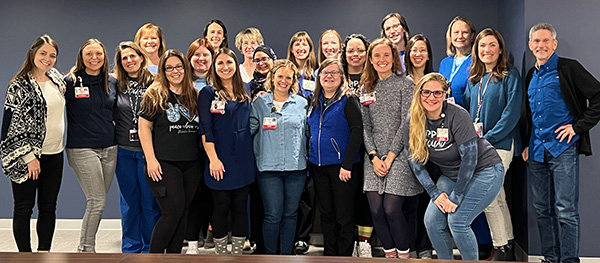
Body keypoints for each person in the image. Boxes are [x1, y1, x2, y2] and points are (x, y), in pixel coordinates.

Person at [520, 22, 600, 263]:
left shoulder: (568, 68)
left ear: (554, 44)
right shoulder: (531, 75)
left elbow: (597, 96)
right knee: (543, 210)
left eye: (546, 41)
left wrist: (577, 127)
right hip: (535, 151)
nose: (541, 45)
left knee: (566, 210)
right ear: (530, 45)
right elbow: (528, 114)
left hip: (562, 149)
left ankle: (569, 261)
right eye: (536, 41)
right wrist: (526, 143)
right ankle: (550, 258)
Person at [407, 73, 504, 260]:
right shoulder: (413, 119)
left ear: (445, 94)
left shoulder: (458, 115)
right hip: (452, 174)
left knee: (458, 221)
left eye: (437, 92)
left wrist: (457, 197)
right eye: (426, 92)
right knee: (432, 221)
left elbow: (470, 159)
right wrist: (435, 194)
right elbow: (415, 161)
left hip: (485, 170)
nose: (431, 97)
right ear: (419, 93)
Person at [1, 35, 65, 253]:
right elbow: (12, 126)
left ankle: (44, 253)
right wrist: (30, 158)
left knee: (48, 208)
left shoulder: (57, 79)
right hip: (27, 157)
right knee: (24, 208)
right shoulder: (19, 85)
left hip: (55, 154)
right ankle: (24, 256)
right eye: (43, 53)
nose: (47, 59)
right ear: (33, 53)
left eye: (52, 55)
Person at [360, 38, 422, 259]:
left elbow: (408, 123)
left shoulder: (405, 83)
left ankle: (404, 256)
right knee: (376, 210)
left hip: (400, 156)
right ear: (371, 59)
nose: (382, 59)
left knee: (391, 208)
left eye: (386, 55)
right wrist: (374, 156)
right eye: (377, 55)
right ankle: (390, 255)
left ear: (394, 58)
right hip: (374, 158)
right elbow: (365, 127)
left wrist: (391, 156)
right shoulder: (366, 87)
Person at [463, 28, 520, 261]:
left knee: (488, 197)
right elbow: (468, 113)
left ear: (500, 49)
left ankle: (501, 246)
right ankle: (508, 244)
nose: (487, 50)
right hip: (479, 144)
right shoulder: (474, 79)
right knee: (498, 196)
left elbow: (511, 113)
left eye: (492, 45)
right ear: (476, 50)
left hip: (501, 144)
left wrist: (488, 138)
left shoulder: (510, 75)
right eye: (482, 45)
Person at [138, 49, 201, 253]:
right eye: (169, 68)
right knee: (171, 212)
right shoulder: (155, 95)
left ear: (185, 68)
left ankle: (173, 258)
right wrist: (151, 159)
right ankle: (154, 257)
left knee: (182, 212)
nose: (175, 71)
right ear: (163, 71)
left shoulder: (195, 95)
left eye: (178, 66)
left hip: (191, 163)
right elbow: (144, 128)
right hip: (164, 163)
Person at [198, 48, 255, 254]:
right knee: (221, 204)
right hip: (219, 154)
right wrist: (213, 159)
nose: (225, 67)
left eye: (229, 62)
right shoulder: (208, 92)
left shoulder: (246, 89)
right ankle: (221, 253)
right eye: (220, 63)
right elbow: (206, 129)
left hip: (244, 156)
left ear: (235, 65)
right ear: (214, 67)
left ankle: (238, 253)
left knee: (241, 205)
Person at [64, 39, 117, 253]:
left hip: (110, 148)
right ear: (81, 57)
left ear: (104, 56)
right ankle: (85, 249)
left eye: (99, 54)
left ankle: (86, 246)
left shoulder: (111, 81)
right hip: (82, 148)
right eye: (89, 54)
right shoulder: (70, 81)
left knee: (98, 202)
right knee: (96, 201)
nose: (94, 58)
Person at [250, 59, 307, 255]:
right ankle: (270, 256)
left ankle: (286, 255)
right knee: (273, 215)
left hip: (296, 168)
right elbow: (248, 131)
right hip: (268, 169)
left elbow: (308, 133)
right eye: (280, 76)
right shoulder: (259, 104)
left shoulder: (302, 104)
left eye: (288, 77)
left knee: (290, 214)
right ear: (272, 77)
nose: (284, 80)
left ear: (293, 81)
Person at [307, 59, 363, 256]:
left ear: (342, 77)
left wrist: (347, 165)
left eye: (334, 73)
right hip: (318, 166)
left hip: (342, 168)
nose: (329, 76)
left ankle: (344, 256)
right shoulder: (313, 101)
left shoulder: (348, 99)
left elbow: (357, 132)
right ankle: (329, 256)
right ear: (319, 77)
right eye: (325, 73)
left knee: (344, 216)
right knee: (327, 215)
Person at [113, 41, 161, 253]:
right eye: (124, 58)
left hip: (149, 152)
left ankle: (151, 248)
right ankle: (131, 248)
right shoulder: (114, 84)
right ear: (120, 63)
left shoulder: (156, 82)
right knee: (130, 204)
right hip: (124, 151)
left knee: (150, 203)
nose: (129, 61)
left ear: (142, 58)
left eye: (133, 56)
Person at [340, 33, 373, 257]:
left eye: (360, 50)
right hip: (345, 146)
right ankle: (349, 240)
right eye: (350, 50)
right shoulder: (336, 75)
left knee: (365, 196)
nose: (355, 54)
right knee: (346, 197)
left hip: (370, 147)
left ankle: (364, 242)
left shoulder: (375, 76)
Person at [287, 31, 318, 254]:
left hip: (312, 137)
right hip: (289, 137)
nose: (300, 47)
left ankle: (302, 237)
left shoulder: (316, 74)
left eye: (304, 43)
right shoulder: (284, 72)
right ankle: (288, 234)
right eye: (296, 44)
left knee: (308, 192)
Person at [404, 33, 435, 259]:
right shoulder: (400, 80)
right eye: (414, 50)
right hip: (406, 147)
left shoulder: (436, 80)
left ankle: (425, 246)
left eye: (422, 50)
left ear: (428, 55)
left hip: (433, 149)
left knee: (427, 200)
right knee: (408, 203)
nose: (418, 54)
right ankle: (410, 246)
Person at [183, 38, 214, 254]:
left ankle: (211, 232)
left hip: (213, 146)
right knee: (193, 193)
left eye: (206, 55)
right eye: (197, 55)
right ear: (190, 58)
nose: (201, 59)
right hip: (189, 146)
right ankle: (192, 236)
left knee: (213, 193)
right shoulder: (182, 81)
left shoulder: (220, 81)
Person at [439, 16, 476, 107]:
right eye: (456, 32)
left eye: (465, 32)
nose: (460, 36)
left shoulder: (476, 62)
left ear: (471, 36)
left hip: (466, 116)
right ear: (450, 36)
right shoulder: (445, 63)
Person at [287, 31, 318, 98]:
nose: (301, 48)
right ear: (291, 49)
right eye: (297, 44)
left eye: (304, 44)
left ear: (310, 48)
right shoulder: (286, 71)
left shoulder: (317, 70)